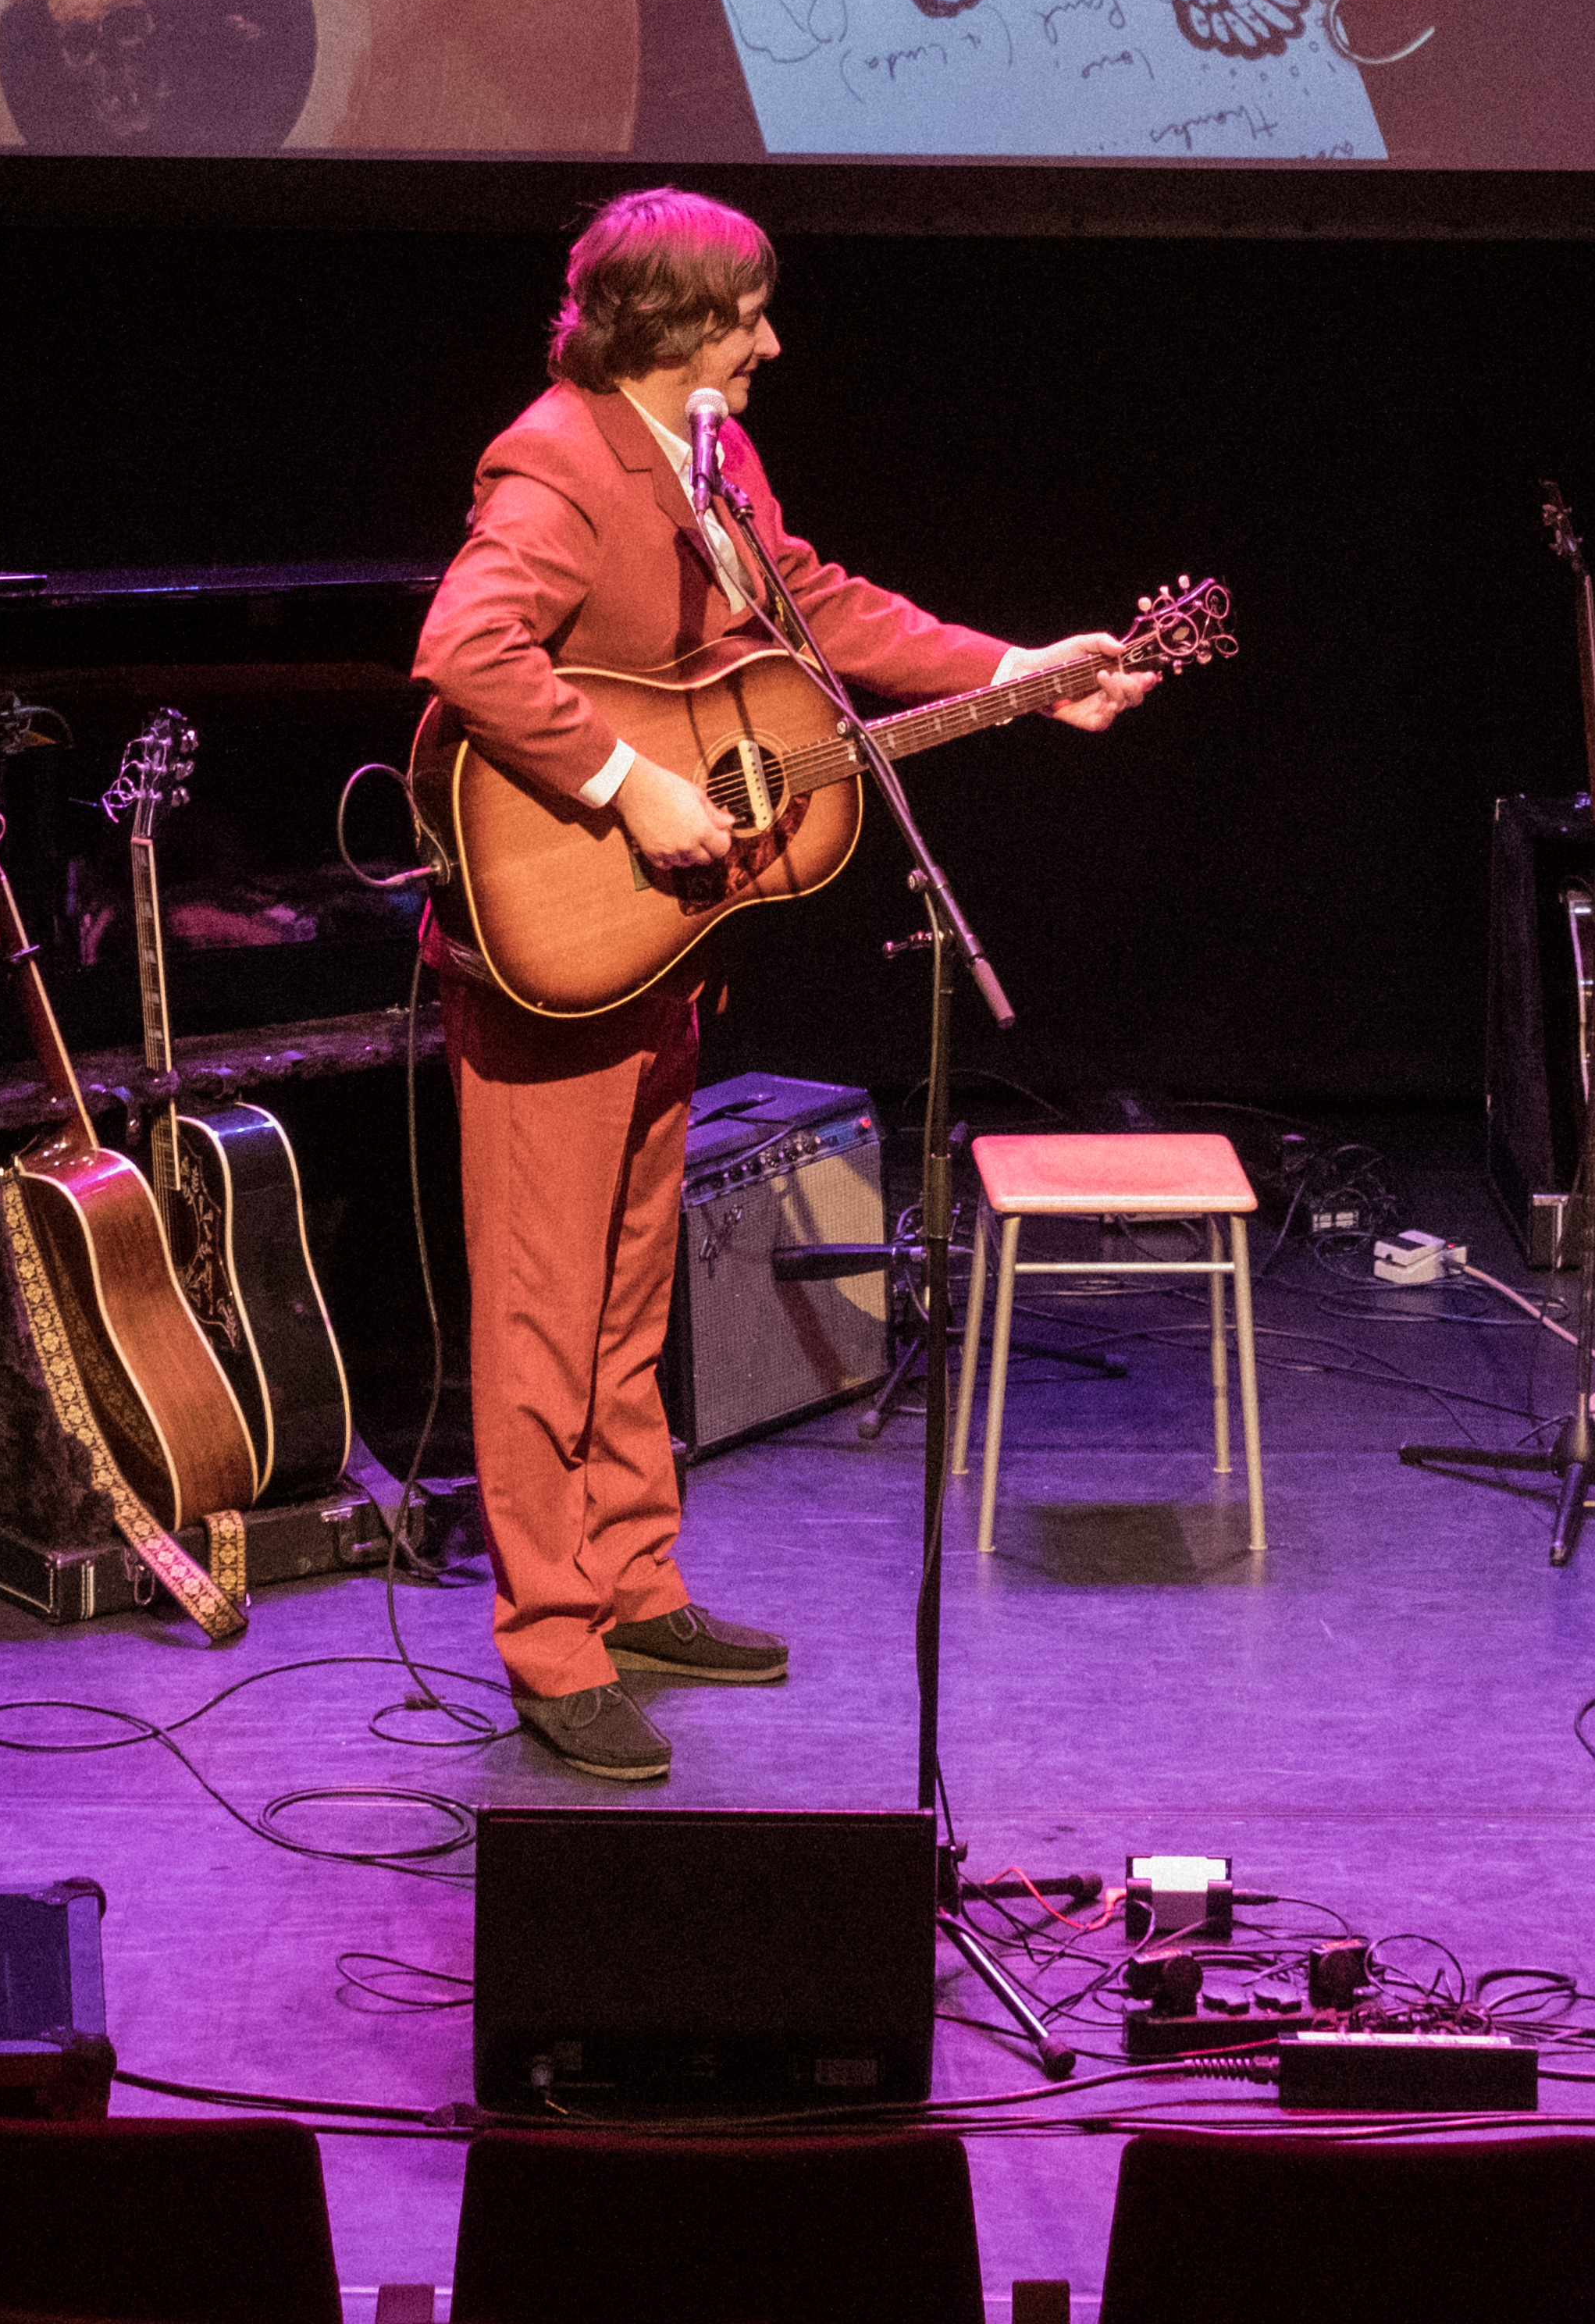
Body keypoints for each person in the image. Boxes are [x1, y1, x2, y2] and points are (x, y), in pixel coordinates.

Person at [411, 187, 1149, 1781]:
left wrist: (1009, 672)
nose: (771, 340)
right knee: (542, 1313)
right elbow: (469, 646)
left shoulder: (712, 457)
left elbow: (806, 606)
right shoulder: (554, 456)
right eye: (746, 314)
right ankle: (549, 1642)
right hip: (554, 952)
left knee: (624, 1297)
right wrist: (628, 784)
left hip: (661, 954)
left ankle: (629, 1581)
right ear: (668, 324)